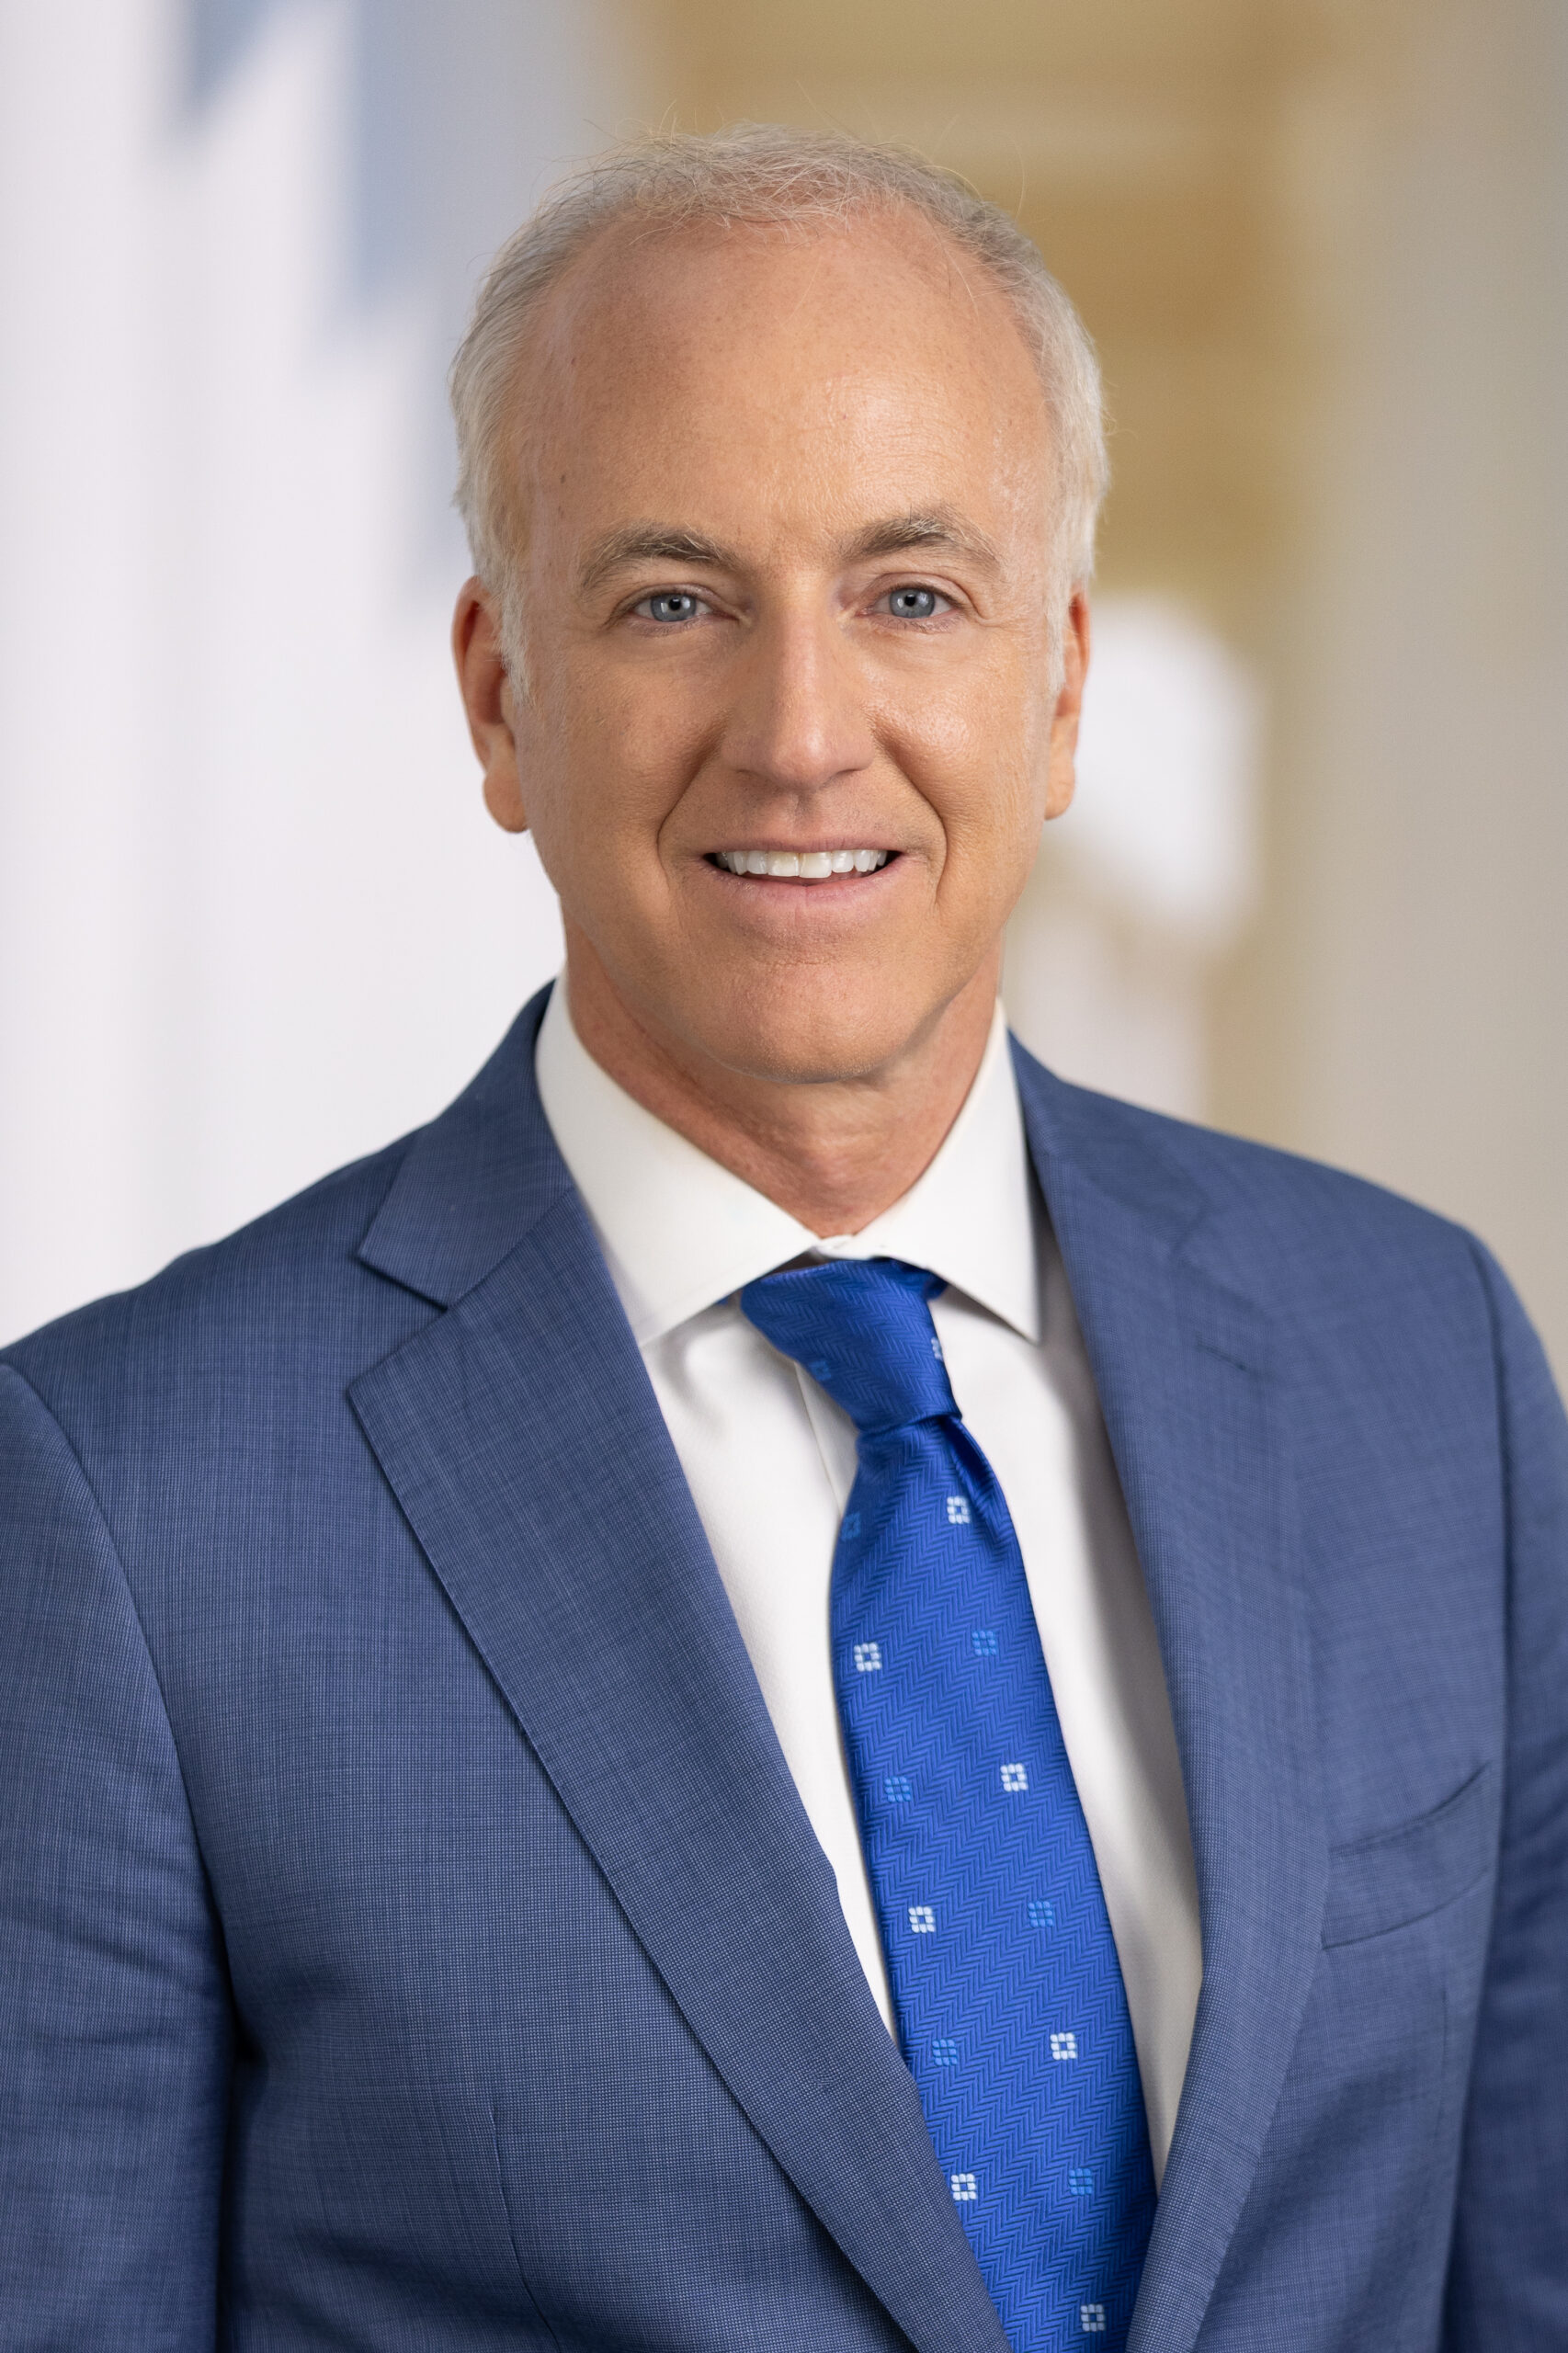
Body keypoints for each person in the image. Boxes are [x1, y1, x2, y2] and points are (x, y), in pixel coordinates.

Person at [0, 125, 1563, 2353]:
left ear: (1059, 688)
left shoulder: (1427, 1371)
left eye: (911, 594)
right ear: (496, 698)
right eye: (672, 601)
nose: (804, 735)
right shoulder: (127, 1504)